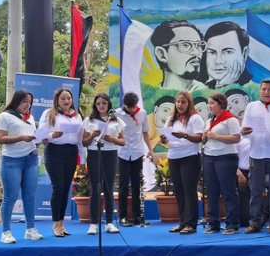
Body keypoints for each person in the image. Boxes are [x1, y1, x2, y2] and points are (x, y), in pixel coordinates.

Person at [0, 89, 42, 244]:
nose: (27, 105)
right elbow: (0, 139)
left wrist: (44, 139)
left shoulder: (30, 118)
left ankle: (30, 229)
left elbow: (33, 139)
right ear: (16, 101)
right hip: (12, 161)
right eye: (24, 102)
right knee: (10, 197)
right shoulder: (5, 116)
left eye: (29, 102)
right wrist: (21, 137)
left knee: (29, 197)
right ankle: (6, 232)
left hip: (31, 160)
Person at [38, 88, 85, 238]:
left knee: (66, 189)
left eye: (69, 98)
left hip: (71, 153)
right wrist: (52, 135)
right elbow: (40, 137)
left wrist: (83, 159)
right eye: (63, 98)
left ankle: (62, 223)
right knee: (58, 188)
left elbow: (80, 140)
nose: (66, 101)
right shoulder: (49, 114)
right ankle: (56, 224)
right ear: (57, 100)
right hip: (54, 152)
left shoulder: (77, 116)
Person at [241, 79, 270, 234]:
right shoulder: (251, 106)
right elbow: (244, 129)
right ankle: (255, 222)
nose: (266, 92)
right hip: (256, 154)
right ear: (260, 90)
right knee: (255, 191)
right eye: (264, 89)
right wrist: (244, 131)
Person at [82, 93, 125, 235]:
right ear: (95, 105)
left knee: (108, 188)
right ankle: (93, 223)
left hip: (111, 154)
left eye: (104, 103)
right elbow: (84, 142)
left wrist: (112, 139)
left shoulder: (116, 120)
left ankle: (109, 222)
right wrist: (93, 135)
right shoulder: (90, 120)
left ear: (109, 104)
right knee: (95, 188)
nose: (101, 106)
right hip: (95, 153)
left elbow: (123, 141)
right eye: (98, 103)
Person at [164, 91, 204, 234]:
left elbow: (199, 137)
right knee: (179, 191)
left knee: (189, 190)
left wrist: (185, 135)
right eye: (178, 102)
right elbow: (166, 137)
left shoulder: (195, 118)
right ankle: (182, 222)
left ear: (189, 103)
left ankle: (191, 224)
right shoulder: (172, 118)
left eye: (183, 102)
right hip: (173, 157)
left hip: (190, 157)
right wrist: (164, 138)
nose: (180, 104)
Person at [202, 92, 242, 234]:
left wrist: (216, 136)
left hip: (226, 157)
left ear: (221, 104)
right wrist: (205, 137)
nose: (209, 106)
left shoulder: (230, 119)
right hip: (209, 157)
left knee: (228, 191)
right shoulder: (210, 121)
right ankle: (213, 224)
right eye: (208, 103)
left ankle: (232, 224)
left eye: (212, 103)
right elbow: (208, 138)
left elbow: (236, 138)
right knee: (212, 192)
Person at [116, 92, 157, 226]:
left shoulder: (142, 113)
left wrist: (151, 150)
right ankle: (122, 217)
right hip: (122, 152)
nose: (132, 110)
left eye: (134, 106)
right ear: (124, 105)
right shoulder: (117, 114)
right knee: (122, 185)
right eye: (129, 107)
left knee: (137, 185)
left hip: (137, 152)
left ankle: (137, 216)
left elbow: (145, 132)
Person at [150, 20, 207, 91]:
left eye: (198, 45)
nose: (196, 52)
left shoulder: (205, 93)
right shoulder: (152, 95)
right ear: (161, 54)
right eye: (185, 45)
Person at [202, 21, 252, 89]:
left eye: (228, 52)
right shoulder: (206, 86)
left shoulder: (253, 86)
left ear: (244, 54)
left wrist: (223, 87)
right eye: (212, 52)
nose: (218, 61)